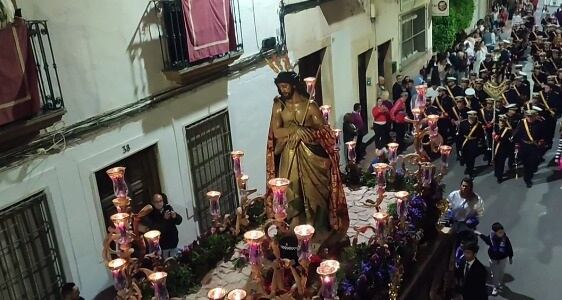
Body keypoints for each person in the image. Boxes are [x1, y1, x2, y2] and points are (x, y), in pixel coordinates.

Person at [267, 71, 349, 243]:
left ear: (294, 85)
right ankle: (294, 229)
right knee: (291, 192)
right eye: (280, 87)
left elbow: (324, 131)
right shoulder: (278, 106)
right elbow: (276, 131)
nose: (282, 90)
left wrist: (309, 133)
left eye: (285, 86)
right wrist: (295, 130)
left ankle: (318, 228)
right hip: (289, 155)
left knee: (315, 192)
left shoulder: (310, 106)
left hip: (312, 155)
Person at [475, 222, 514, 296]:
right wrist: (479, 234)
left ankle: (500, 282)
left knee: (501, 273)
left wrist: (510, 257)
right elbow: (485, 239)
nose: (502, 233)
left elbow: (509, 248)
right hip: (493, 260)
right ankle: (495, 287)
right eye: (499, 232)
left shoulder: (505, 239)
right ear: (495, 233)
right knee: (495, 274)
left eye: (502, 231)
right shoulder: (491, 239)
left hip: (503, 259)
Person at [143, 193, 183, 258]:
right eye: (157, 202)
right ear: (153, 203)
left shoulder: (167, 208)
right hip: (163, 245)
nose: (159, 203)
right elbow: (156, 229)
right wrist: (164, 219)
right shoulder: (151, 214)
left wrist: (175, 216)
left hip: (173, 242)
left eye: (161, 201)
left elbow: (179, 221)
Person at [512, 109, 544, 187]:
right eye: (528, 116)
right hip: (524, 146)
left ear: (535, 116)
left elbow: (543, 133)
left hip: (534, 146)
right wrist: (515, 143)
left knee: (534, 162)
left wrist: (541, 140)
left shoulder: (539, 123)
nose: (529, 118)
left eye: (531, 116)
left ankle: (532, 170)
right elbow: (517, 133)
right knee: (526, 164)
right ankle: (527, 179)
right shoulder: (522, 123)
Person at [456, 110, 484, 177]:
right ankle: (468, 167)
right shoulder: (463, 123)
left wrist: (480, 143)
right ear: (468, 116)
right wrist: (459, 147)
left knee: (471, 158)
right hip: (465, 143)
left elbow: (481, 135)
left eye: (474, 116)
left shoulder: (479, 124)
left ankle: (470, 171)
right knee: (465, 157)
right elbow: (460, 135)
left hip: (473, 143)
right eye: (471, 116)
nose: (472, 117)